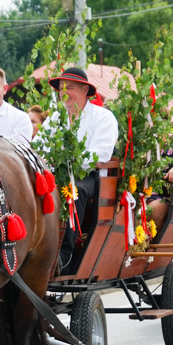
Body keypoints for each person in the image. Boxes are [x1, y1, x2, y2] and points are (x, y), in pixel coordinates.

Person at [47, 67, 118, 272]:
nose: (64, 93)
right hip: (59, 174)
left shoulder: (103, 117)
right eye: (61, 89)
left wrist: (68, 160)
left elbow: (100, 154)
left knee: (73, 192)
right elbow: (39, 145)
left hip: (90, 177)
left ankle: (64, 256)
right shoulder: (55, 118)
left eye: (70, 87)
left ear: (85, 90)